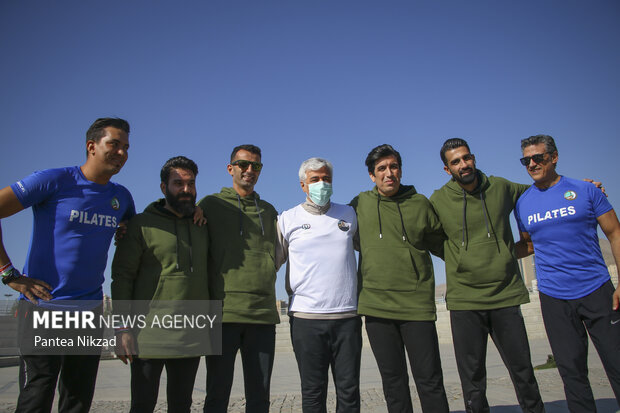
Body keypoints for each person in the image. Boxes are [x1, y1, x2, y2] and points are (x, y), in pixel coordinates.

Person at [0, 118, 135, 413]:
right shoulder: (53, 180)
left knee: (77, 398)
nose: (122, 153)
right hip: (43, 307)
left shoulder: (121, 198)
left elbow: (134, 235)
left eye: (126, 147)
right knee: (38, 393)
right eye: (114, 144)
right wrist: (8, 274)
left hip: (89, 311)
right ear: (91, 146)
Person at [429, 138, 544, 413]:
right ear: (447, 169)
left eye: (466, 158)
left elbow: (540, 193)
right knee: (473, 380)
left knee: (523, 371)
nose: (463, 164)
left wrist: (582, 187)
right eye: (455, 162)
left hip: (505, 295)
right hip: (465, 301)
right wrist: (457, 256)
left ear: (474, 158)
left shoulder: (501, 187)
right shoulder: (438, 200)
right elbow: (428, 236)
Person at [515, 134, 620, 413]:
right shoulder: (523, 203)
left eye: (538, 157)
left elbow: (614, 232)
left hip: (597, 290)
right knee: (572, 374)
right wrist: (490, 252)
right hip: (554, 298)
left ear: (554, 156)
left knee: (617, 363)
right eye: (526, 160)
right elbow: (528, 244)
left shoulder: (586, 190)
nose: (532, 164)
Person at [349, 144, 449, 413]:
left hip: (416, 307)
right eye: (381, 169)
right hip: (377, 307)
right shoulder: (359, 205)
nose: (388, 173)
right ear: (372, 175)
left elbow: (444, 247)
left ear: (401, 170)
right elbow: (335, 235)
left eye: (393, 167)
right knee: (393, 383)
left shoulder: (420, 204)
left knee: (429, 380)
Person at [111, 156, 209, 413]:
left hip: (191, 333)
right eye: (178, 183)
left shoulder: (203, 224)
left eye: (191, 183)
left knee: (182, 405)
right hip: (148, 336)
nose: (186, 189)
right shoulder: (140, 225)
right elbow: (122, 277)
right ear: (164, 187)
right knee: (142, 405)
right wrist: (122, 327)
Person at [198, 144, 279, 413]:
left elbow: (281, 251)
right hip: (222, 315)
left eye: (255, 166)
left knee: (260, 397)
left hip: (262, 315)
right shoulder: (210, 205)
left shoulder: (269, 211)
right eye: (243, 164)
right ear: (230, 168)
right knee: (217, 394)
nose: (249, 170)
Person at [278, 157, 361, 413]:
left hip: (346, 317)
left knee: (348, 391)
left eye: (326, 179)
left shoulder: (348, 214)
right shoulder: (287, 219)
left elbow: (371, 250)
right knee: (313, 392)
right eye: (315, 179)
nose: (321, 184)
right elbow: (271, 262)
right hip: (306, 319)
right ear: (304, 185)